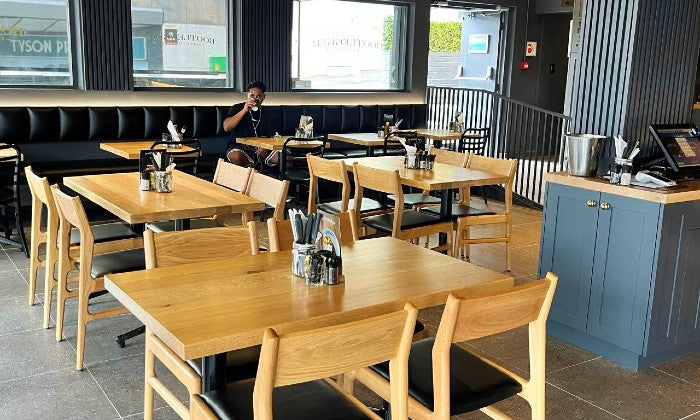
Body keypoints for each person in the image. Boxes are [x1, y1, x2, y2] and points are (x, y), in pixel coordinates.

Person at [223, 80, 278, 167]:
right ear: (247, 95)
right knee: (236, 157)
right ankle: (245, 174)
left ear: (264, 97)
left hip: (262, 148)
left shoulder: (268, 113)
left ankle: (284, 175)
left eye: (258, 96)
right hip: (240, 146)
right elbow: (226, 127)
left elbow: (272, 135)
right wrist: (244, 110)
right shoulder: (237, 108)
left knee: (285, 156)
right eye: (252, 95)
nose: (255, 98)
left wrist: (266, 147)